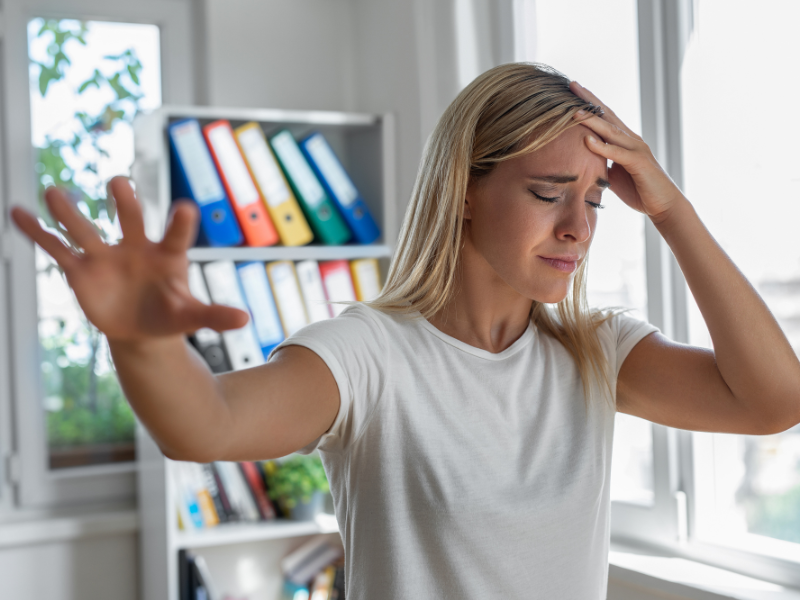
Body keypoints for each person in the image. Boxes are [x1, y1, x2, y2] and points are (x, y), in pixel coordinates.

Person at [9, 62, 800, 599]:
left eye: (594, 199)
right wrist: (141, 339)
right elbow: (202, 424)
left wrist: (669, 208)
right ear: (463, 188)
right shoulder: (370, 356)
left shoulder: (598, 351)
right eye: (550, 192)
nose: (578, 227)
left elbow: (772, 401)